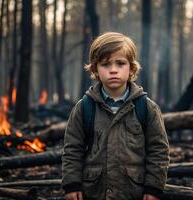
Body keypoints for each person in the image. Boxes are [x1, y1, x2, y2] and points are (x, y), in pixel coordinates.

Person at [62, 32, 170, 200]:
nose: (113, 70)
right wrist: (72, 184)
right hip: (94, 192)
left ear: (132, 68)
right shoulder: (84, 108)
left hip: (134, 192)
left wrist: (153, 188)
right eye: (105, 64)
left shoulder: (146, 108)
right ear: (95, 69)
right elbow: (72, 149)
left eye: (120, 63)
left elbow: (159, 151)